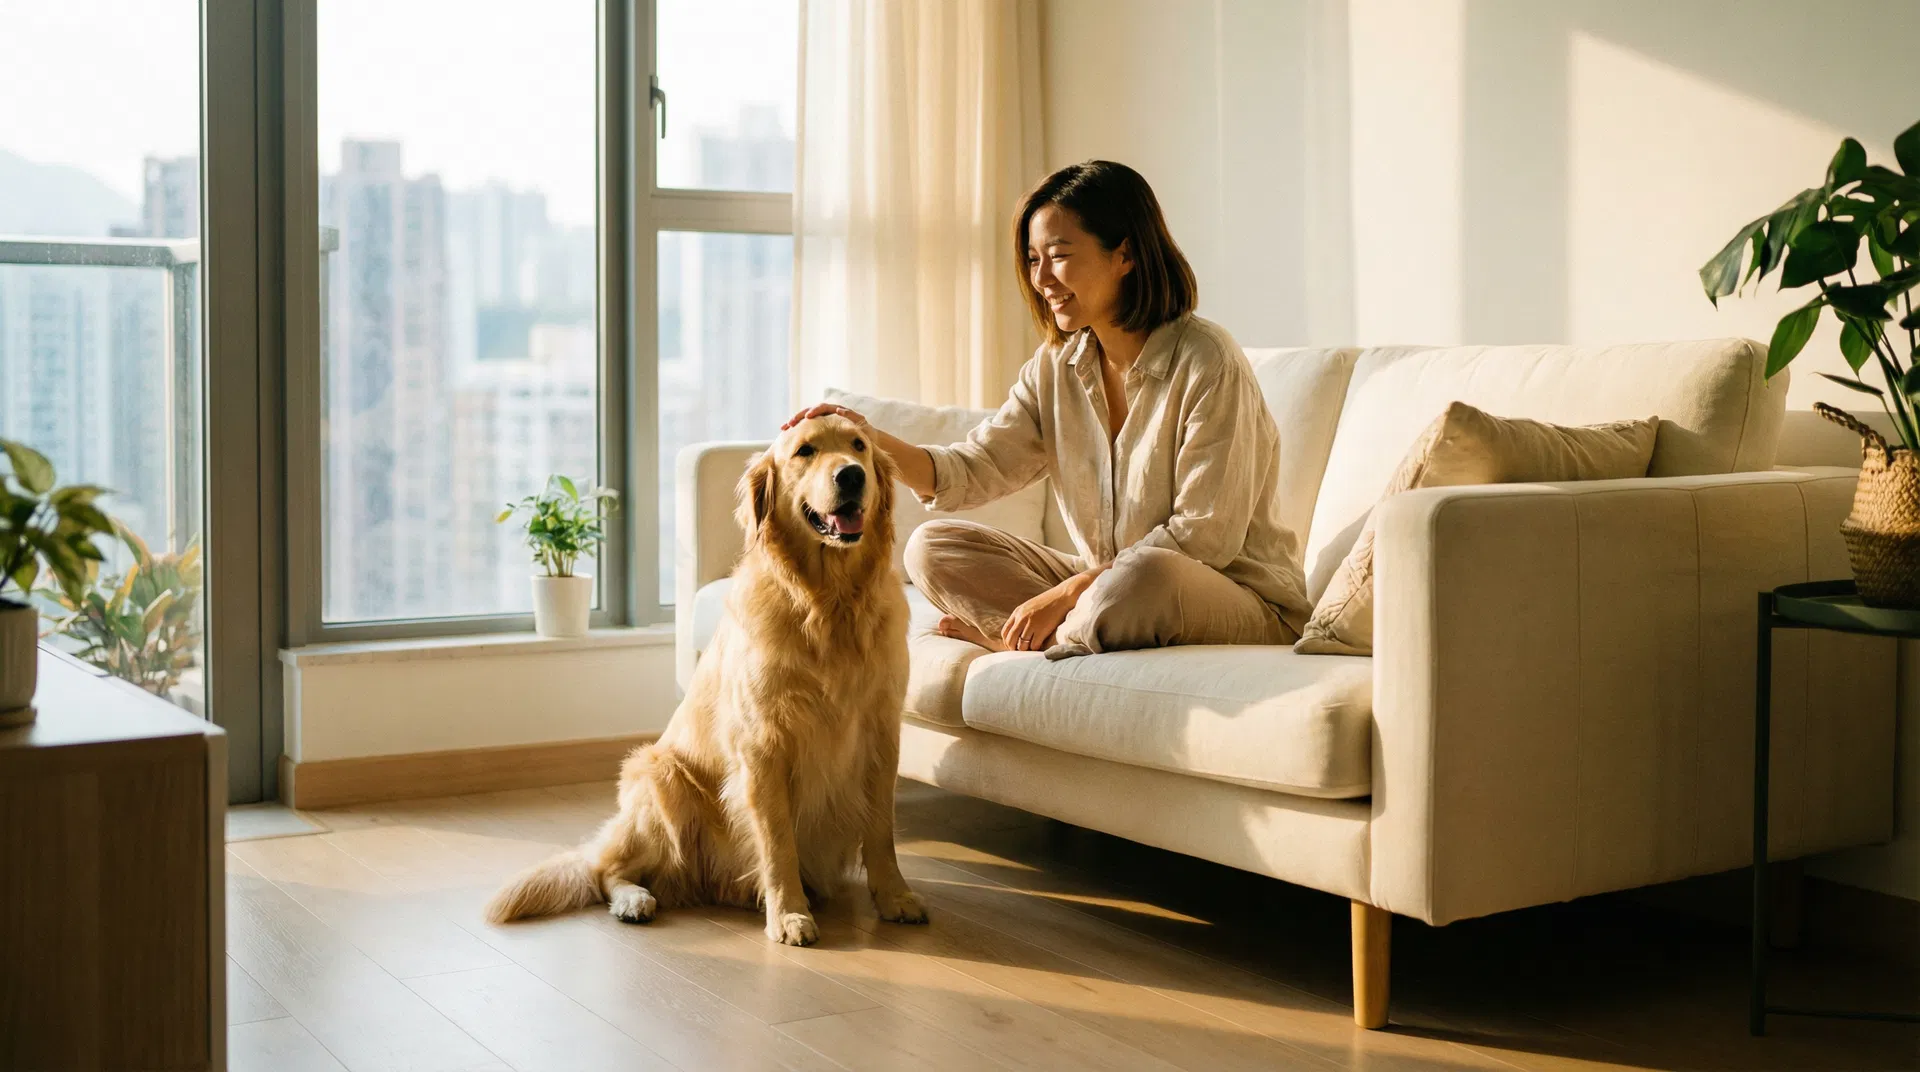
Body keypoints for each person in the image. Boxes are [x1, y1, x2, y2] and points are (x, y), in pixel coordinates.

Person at [784, 160, 1308, 659]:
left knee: (1146, 576)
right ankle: (1061, 634)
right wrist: (870, 439)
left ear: (1124, 255)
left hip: (1232, 597)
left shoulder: (1208, 360)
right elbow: (974, 469)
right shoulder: (1056, 367)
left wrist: (1064, 595)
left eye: (1059, 254)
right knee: (932, 547)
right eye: (1034, 260)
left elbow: (1202, 538)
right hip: (1108, 583)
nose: (1041, 279)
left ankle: (1027, 641)